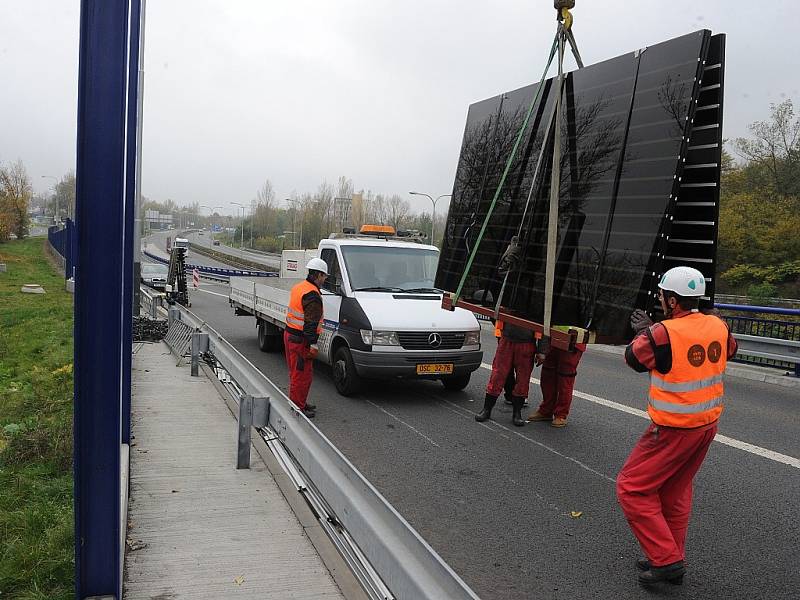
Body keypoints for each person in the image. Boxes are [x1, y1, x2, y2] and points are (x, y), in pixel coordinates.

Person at [616, 266, 737, 587]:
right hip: (706, 426)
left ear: (672, 300)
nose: (659, 300)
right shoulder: (718, 324)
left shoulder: (662, 332)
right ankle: (670, 553)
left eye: (661, 297)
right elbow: (730, 349)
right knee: (675, 492)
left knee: (632, 488)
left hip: (672, 429)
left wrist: (646, 331)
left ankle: (667, 560)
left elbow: (633, 359)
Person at [284, 257, 328, 418]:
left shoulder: (299, 287)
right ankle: (297, 408)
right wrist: (313, 344)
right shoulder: (312, 295)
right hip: (301, 340)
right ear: (318, 275)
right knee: (302, 375)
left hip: (290, 335)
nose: (325, 279)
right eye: (324, 276)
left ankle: (300, 401)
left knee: (297, 373)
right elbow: (310, 323)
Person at [475, 319, 537, 426]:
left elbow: (544, 323)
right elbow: (495, 313)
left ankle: (517, 413)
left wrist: (542, 351)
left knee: (523, 380)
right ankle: (487, 409)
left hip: (527, 343)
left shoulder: (538, 303)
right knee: (497, 376)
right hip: (507, 340)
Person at [526, 337, 586, 428]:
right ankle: (546, 410)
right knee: (547, 376)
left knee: (565, 379)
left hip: (573, 341)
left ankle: (561, 414)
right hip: (552, 340)